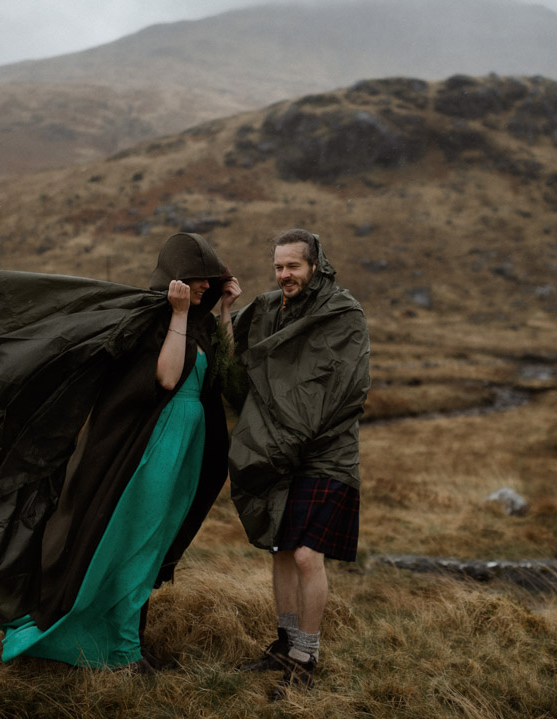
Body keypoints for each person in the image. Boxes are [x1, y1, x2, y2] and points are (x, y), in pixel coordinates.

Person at [0, 232, 241, 669]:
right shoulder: (156, 320)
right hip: (155, 447)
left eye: (210, 278)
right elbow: (167, 378)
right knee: (134, 543)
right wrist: (180, 313)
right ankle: (124, 651)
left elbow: (223, 369)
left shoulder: (196, 322)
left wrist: (224, 309)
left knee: (155, 542)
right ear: (175, 277)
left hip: (188, 446)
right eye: (198, 277)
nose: (205, 285)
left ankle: (124, 642)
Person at [226, 229, 370, 698]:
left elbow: (345, 389)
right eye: (278, 267)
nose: (284, 275)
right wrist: (227, 308)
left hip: (325, 452)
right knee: (282, 548)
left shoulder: (342, 313)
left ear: (315, 266)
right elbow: (234, 355)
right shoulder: (268, 308)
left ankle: (306, 657)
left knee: (308, 554)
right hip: (277, 447)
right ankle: (285, 645)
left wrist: (293, 439)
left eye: (293, 267)